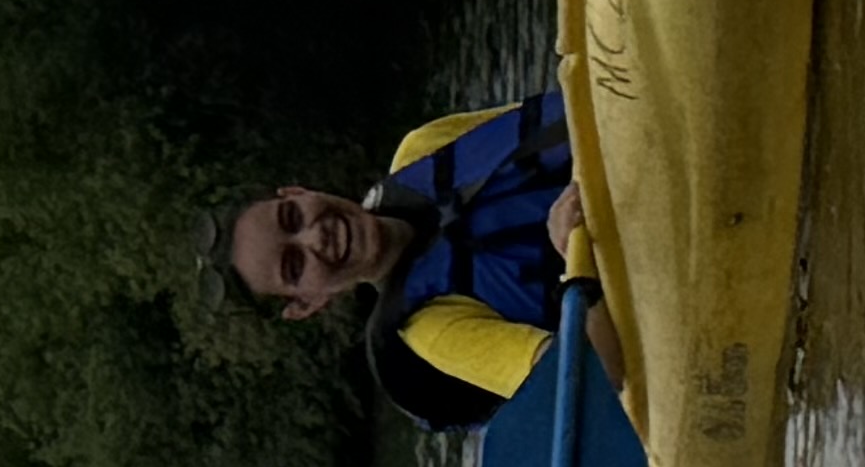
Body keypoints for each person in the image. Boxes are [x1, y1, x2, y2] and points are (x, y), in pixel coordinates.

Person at [221, 89, 605, 434]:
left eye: (293, 217)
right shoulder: (432, 331)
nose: (315, 237)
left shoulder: (423, 148)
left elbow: (578, 101)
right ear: (308, 303)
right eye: (295, 265)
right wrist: (576, 262)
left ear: (299, 192)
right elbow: (582, 379)